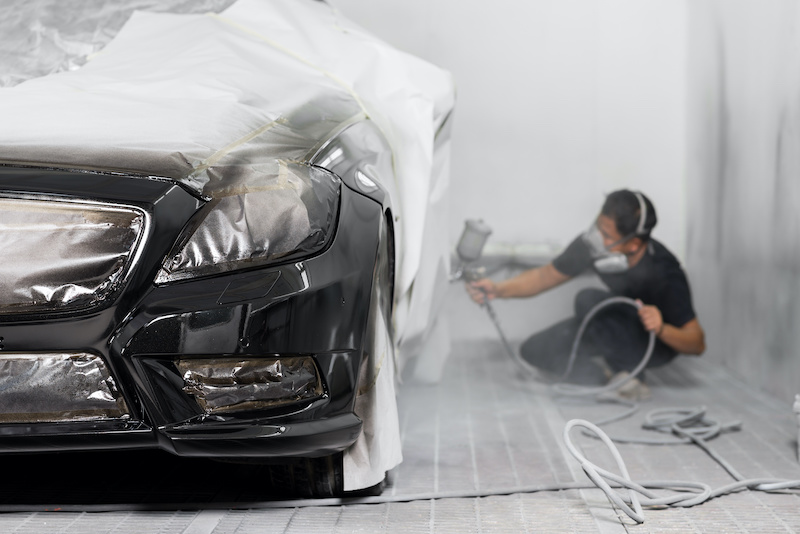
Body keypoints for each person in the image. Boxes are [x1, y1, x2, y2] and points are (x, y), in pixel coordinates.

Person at [466, 189, 705, 399]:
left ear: (633, 245)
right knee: (535, 350)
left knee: (587, 299)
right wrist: (498, 289)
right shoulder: (591, 246)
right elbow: (544, 276)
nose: (597, 239)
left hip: (656, 342)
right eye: (598, 227)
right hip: (611, 326)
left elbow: (696, 343)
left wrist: (661, 327)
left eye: (607, 236)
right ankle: (606, 376)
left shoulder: (665, 272)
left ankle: (633, 376)